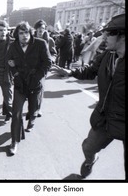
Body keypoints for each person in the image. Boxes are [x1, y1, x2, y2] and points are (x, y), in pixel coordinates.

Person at [51, 14, 125, 178]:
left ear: (122, 36)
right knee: (88, 147)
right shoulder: (108, 54)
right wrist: (71, 71)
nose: (103, 36)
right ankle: (91, 160)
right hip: (105, 116)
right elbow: (91, 70)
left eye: (110, 33)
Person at [7, 21, 52, 155]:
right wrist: (15, 73)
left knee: (33, 110)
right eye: (21, 33)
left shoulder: (40, 43)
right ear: (17, 35)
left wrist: (37, 77)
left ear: (30, 32)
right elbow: (9, 62)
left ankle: (32, 118)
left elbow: (47, 63)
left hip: (35, 83)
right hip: (20, 83)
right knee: (16, 112)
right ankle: (14, 141)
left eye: (26, 32)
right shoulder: (13, 46)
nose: (24, 36)